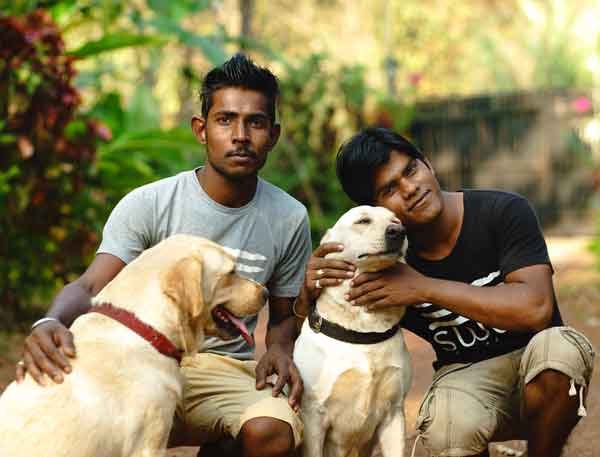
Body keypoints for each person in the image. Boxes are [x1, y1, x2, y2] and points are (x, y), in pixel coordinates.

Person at [15, 53, 311, 457]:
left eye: (255, 122)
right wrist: (49, 320)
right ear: (201, 129)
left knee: (273, 431)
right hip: (134, 361)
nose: (240, 135)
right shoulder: (150, 203)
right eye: (225, 120)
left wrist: (279, 349)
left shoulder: (289, 217)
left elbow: (281, 317)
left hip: (222, 373)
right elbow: (91, 284)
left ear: (273, 135)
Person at [295, 127, 596, 457]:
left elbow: (536, 309)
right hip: (467, 377)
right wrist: (310, 293)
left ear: (427, 163)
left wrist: (424, 288)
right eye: (389, 189)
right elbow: (319, 346)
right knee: (445, 426)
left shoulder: (503, 211)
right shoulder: (383, 262)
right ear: (377, 209)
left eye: (411, 170)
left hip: (535, 362)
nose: (410, 188)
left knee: (561, 351)